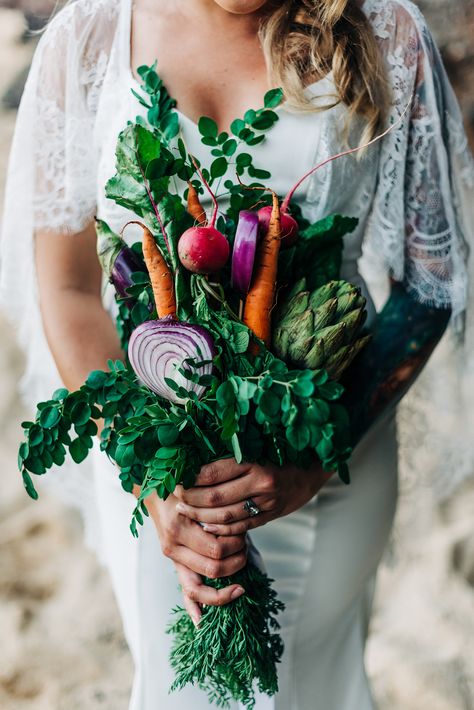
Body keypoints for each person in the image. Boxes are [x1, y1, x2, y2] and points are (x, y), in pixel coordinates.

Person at [1, 0, 473, 708]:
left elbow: (432, 282)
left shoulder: (385, 31)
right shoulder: (90, 38)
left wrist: (313, 461)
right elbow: (68, 288)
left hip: (331, 444)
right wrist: (150, 482)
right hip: (164, 474)